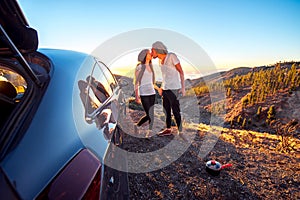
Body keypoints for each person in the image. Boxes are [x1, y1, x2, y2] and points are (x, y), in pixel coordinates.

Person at [151, 41, 185, 136]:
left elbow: (181, 72)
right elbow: (164, 76)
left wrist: (183, 88)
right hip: (165, 89)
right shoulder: (159, 61)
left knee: (175, 110)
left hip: (174, 89)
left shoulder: (171, 56)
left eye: (152, 50)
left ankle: (180, 131)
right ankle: (168, 129)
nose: (151, 52)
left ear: (157, 49)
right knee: (166, 110)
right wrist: (161, 87)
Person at [134, 49, 159, 137]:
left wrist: (158, 89)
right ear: (144, 55)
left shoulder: (151, 66)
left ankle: (150, 131)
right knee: (149, 114)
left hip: (152, 93)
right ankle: (137, 126)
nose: (150, 54)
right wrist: (137, 96)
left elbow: (151, 82)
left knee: (151, 114)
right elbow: (136, 82)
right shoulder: (139, 67)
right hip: (143, 93)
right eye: (148, 53)